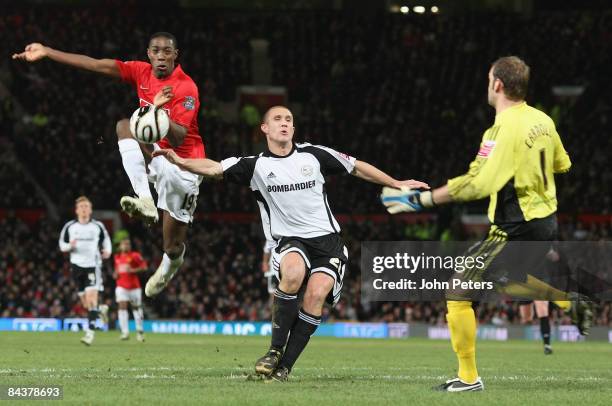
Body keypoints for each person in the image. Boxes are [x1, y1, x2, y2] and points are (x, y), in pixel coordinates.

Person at [153, 105, 428, 382]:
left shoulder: (315, 155)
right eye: (277, 119)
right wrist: (180, 161)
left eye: (288, 120)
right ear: (265, 128)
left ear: (293, 129)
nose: (284, 123)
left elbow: (356, 167)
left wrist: (395, 182)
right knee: (293, 273)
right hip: (289, 240)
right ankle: (273, 351)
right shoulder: (255, 165)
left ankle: (284, 367)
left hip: (328, 242)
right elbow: (213, 168)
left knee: (316, 296)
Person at [381, 56, 593, 392]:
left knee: (458, 291)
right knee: (508, 280)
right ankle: (570, 302)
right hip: (545, 221)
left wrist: (421, 200)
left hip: (515, 226)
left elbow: (477, 184)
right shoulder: (543, 120)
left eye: (488, 80)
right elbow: (562, 164)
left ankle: (468, 378)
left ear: (497, 84)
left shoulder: (500, 129)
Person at [13, 32, 204, 297]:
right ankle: (145, 200)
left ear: (175, 55)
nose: (161, 57)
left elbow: (180, 136)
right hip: (157, 150)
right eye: (156, 51)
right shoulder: (141, 72)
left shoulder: (186, 87)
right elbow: (94, 64)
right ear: (148, 53)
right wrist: (48, 51)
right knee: (124, 126)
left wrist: (155, 112)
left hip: (184, 166)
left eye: (167, 52)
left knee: (171, 244)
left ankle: (172, 263)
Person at [58, 196, 111, 345]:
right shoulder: (70, 227)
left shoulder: (97, 226)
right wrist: (70, 246)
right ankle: (100, 310)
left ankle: (90, 333)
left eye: (86, 206)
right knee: (86, 303)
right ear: (76, 210)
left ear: (91, 209)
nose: (84, 209)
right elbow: (62, 245)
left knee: (91, 299)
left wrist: (107, 250)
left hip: (92, 266)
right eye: (81, 207)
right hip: (76, 267)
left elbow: (106, 240)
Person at [113, 237, 147, 342]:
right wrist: (115, 274)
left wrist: (133, 270)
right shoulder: (117, 257)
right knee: (122, 307)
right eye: (125, 244)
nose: (127, 246)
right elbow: (116, 270)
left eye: (128, 244)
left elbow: (144, 267)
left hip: (134, 287)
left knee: (136, 309)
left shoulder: (135, 255)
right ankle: (125, 332)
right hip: (121, 286)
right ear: (120, 246)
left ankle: (139, 331)